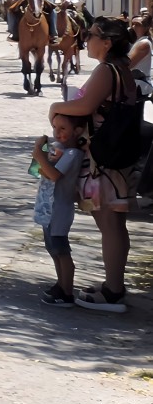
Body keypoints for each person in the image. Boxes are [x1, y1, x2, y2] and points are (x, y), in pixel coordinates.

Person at [48, 17, 139, 312]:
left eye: (91, 35)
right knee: (114, 224)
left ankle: (113, 292)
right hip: (114, 157)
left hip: (102, 160)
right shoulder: (122, 68)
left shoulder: (106, 69)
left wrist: (56, 108)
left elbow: (85, 107)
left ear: (107, 42)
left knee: (109, 223)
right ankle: (114, 284)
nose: (87, 40)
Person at [30, 113, 89, 307]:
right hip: (48, 208)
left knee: (62, 251)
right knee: (53, 249)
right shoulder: (61, 151)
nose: (57, 132)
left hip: (59, 210)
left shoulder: (73, 154)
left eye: (63, 128)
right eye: (55, 128)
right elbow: (38, 170)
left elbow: (54, 175)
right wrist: (44, 154)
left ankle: (67, 291)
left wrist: (39, 153)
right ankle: (61, 284)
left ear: (77, 131)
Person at [129, 13, 151, 80]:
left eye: (137, 25)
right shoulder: (136, 42)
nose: (133, 27)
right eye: (133, 24)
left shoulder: (144, 43)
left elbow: (127, 65)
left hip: (141, 85)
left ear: (146, 28)